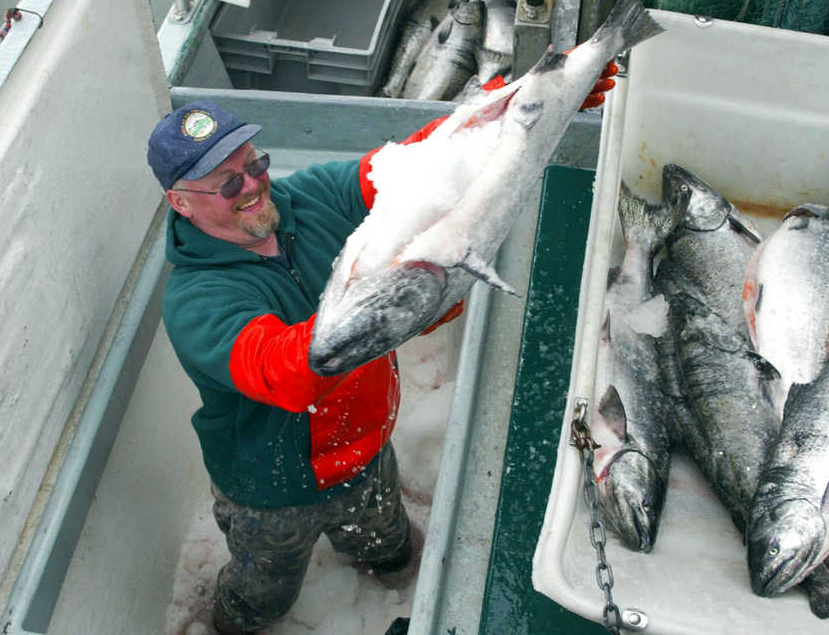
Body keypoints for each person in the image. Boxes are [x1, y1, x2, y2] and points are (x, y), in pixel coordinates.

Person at [146, 69, 616, 634]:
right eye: (226, 183)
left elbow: (413, 170)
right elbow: (286, 372)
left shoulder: (307, 197)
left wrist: (509, 112)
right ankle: (229, 621)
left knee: (389, 546)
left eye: (255, 164)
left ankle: (389, 563)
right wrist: (412, 299)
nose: (251, 185)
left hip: (367, 451)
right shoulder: (197, 299)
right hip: (272, 494)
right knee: (261, 597)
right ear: (181, 202)